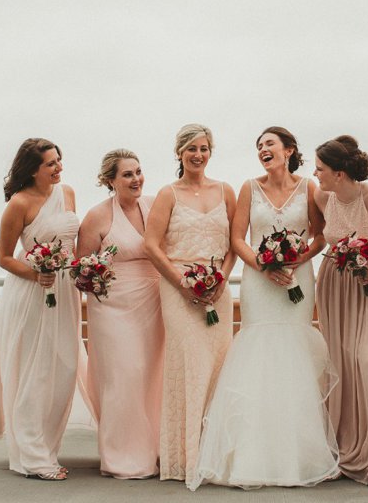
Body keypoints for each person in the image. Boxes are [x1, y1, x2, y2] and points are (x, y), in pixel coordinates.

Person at [188, 127, 339, 490]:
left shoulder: (309, 188)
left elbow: (320, 235)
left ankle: (295, 455)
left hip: (297, 280)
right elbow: (237, 238)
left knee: (292, 357)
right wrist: (263, 265)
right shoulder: (248, 188)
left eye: (269, 144)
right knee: (258, 353)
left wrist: (294, 261)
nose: (262, 150)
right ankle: (250, 454)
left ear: (288, 150)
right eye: (258, 146)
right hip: (259, 280)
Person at [144, 123, 237, 485]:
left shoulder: (226, 191)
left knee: (218, 364)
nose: (198, 155)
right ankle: (186, 456)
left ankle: (216, 453)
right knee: (190, 364)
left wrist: (222, 278)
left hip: (218, 289)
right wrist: (183, 284)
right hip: (178, 286)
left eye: (204, 148)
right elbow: (152, 245)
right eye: (191, 149)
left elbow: (235, 243)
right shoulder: (168, 194)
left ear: (210, 152)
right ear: (179, 153)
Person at [0, 138, 80, 481]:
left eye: (59, 161)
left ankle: (48, 447)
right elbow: (4, 257)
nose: (58, 168)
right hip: (33, 293)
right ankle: (34, 457)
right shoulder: (18, 204)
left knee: (64, 369)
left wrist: (85, 273)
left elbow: (72, 245)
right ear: (32, 169)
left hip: (66, 292)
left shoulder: (66, 193)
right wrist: (38, 272)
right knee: (35, 373)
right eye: (51, 164)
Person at [312, 135, 368, 490]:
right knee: (342, 366)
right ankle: (344, 450)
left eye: (320, 169)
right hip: (335, 287)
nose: (315, 174)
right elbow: (320, 237)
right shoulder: (322, 197)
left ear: (338, 172)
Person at [77, 149, 164, 478]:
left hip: (154, 302)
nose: (136, 179)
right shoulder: (97, 217)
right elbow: (80, 271)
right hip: (113, 308)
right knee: (124, 376)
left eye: (138, 171)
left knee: (152, 375)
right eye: (127, 174)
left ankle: (153, 449)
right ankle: (121, 455)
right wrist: (94, 277)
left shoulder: (155, 205)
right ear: (109, 180)